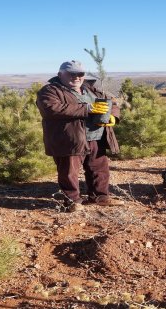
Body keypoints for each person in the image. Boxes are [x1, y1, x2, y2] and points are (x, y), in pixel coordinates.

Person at [36, 60, 124, 212]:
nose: (76, 77)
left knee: (99, 169)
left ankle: (100, 197)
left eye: (80, 74)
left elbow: (112, 104)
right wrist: (88, 108)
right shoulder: (50, 90)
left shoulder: (90, 89)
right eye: (71, 74)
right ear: (60, 74)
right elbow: (52, 109)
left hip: (96, 137)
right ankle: (72, 202)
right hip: (69, 139)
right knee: (69, 172)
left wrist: (113, 116)